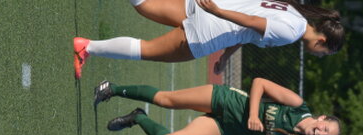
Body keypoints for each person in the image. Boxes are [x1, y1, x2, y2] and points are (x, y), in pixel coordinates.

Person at [72, 0, 344, 78]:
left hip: (207, 6)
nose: (319, 55)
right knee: (147, 50)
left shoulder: (294, 13)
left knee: (145, 5)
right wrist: (218, 12)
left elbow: (249, 30)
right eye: (324, 53)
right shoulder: (292, 32)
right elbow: (251, 22)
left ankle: (88, 47)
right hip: (211, 25)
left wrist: (226, 56)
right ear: (322, 40)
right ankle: (87, 47)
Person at [93, 77, 341, 135]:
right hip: (227, 101)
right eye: (325, 130)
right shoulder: (297, 105)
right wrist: (253, 114)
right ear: (322, 119)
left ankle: (138, 118)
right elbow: (260, 83)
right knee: (166, 100)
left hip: (227, 128)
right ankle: (111, 89)